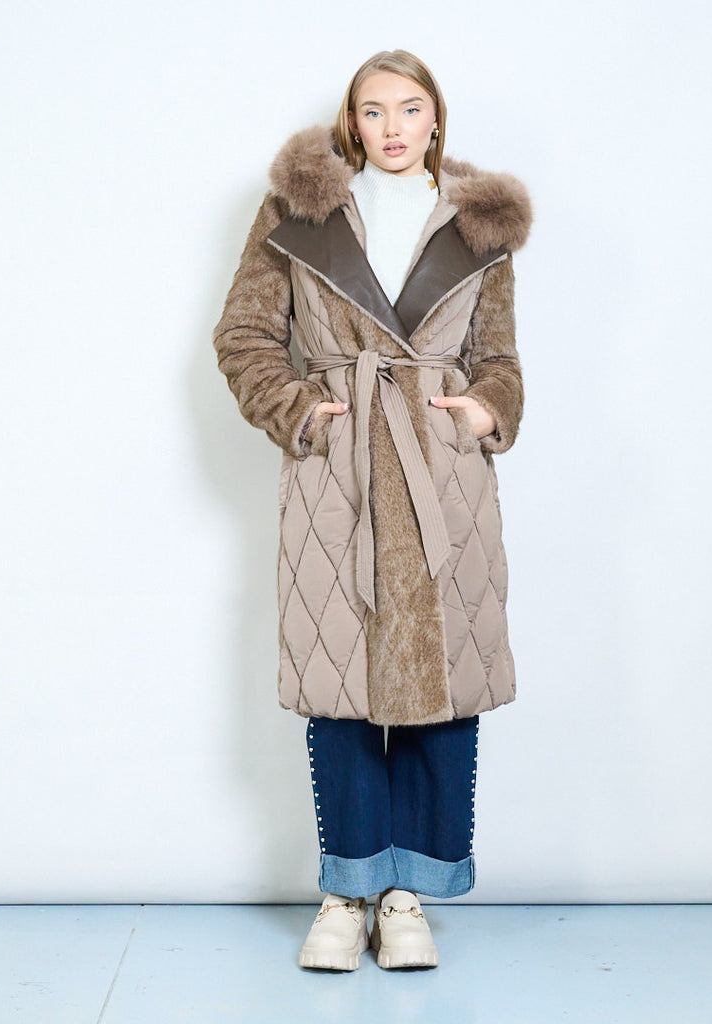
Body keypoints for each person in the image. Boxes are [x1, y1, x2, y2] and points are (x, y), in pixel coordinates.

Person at [213, 49, 531, 970]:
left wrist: (486, 411)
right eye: (374, 110)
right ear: (352, 122)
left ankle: (408, 894)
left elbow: (500, 358)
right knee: (341, 680)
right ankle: (346, 891)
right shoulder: (298, 211)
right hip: (339, 471)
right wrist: (298, 409)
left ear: (436, 118)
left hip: (442, 472)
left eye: (411, 108)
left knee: (442, 681)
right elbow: (243, 335)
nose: (394, 127)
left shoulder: (477, 223)